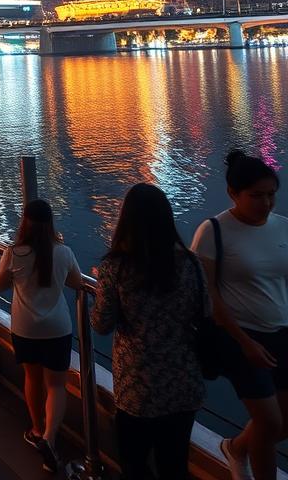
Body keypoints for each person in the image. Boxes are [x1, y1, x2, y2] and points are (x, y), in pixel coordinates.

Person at [92, 183, 208, 480]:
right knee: (175, 464)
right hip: (184, 380)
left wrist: (100, 290)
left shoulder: (115, 268)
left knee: (134, 464)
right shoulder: (191, 264)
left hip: (137, 385)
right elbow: (205, 312)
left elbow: (101, 325)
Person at [191, 150, 288, 480]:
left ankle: (236, 447)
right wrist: (243, 340)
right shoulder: (213, 231)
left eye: (271, 194)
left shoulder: (282, 228)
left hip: (282, 331)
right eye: (256, 195)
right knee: (269, 422)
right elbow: (208, 295)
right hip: (238, 336)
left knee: (284, 422)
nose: (266, 203)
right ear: (233, 193)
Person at [0, 199, 81, 472]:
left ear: (25, 222)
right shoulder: (63, 252)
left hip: (25, 328)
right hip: (57, 328)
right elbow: (77, 283)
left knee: (32, 378)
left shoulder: (15, 253)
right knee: (56, 385)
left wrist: (16, 278)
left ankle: (35, 428)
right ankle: (49, 438)